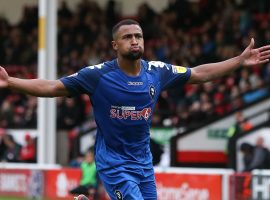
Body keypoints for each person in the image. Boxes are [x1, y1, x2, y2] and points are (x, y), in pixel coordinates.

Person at [0, 19, 270, 199]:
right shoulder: (98, 76)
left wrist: (238, 60)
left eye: (138, 36)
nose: (134, 40)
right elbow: (52, 86)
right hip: (114, 162)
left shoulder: (157, 72)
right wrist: (11, 82)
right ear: (115, 45)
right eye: (127, 37)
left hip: (143, 163)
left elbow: (199, 73)